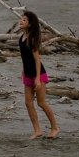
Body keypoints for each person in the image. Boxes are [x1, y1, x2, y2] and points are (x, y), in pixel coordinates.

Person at [19, 11, 60, 139]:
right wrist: (23, 70)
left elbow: (37, 59)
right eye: (22, 19)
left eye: (24, 20)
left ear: (30, 24)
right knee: (28, 103)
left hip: (38, 75)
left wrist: (37, 78)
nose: (21, 21)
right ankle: (37, 130)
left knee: (41, 103)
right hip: (28, 74)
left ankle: (55, 128)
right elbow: (25, 57)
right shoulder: (21, 38)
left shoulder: (32, 39)